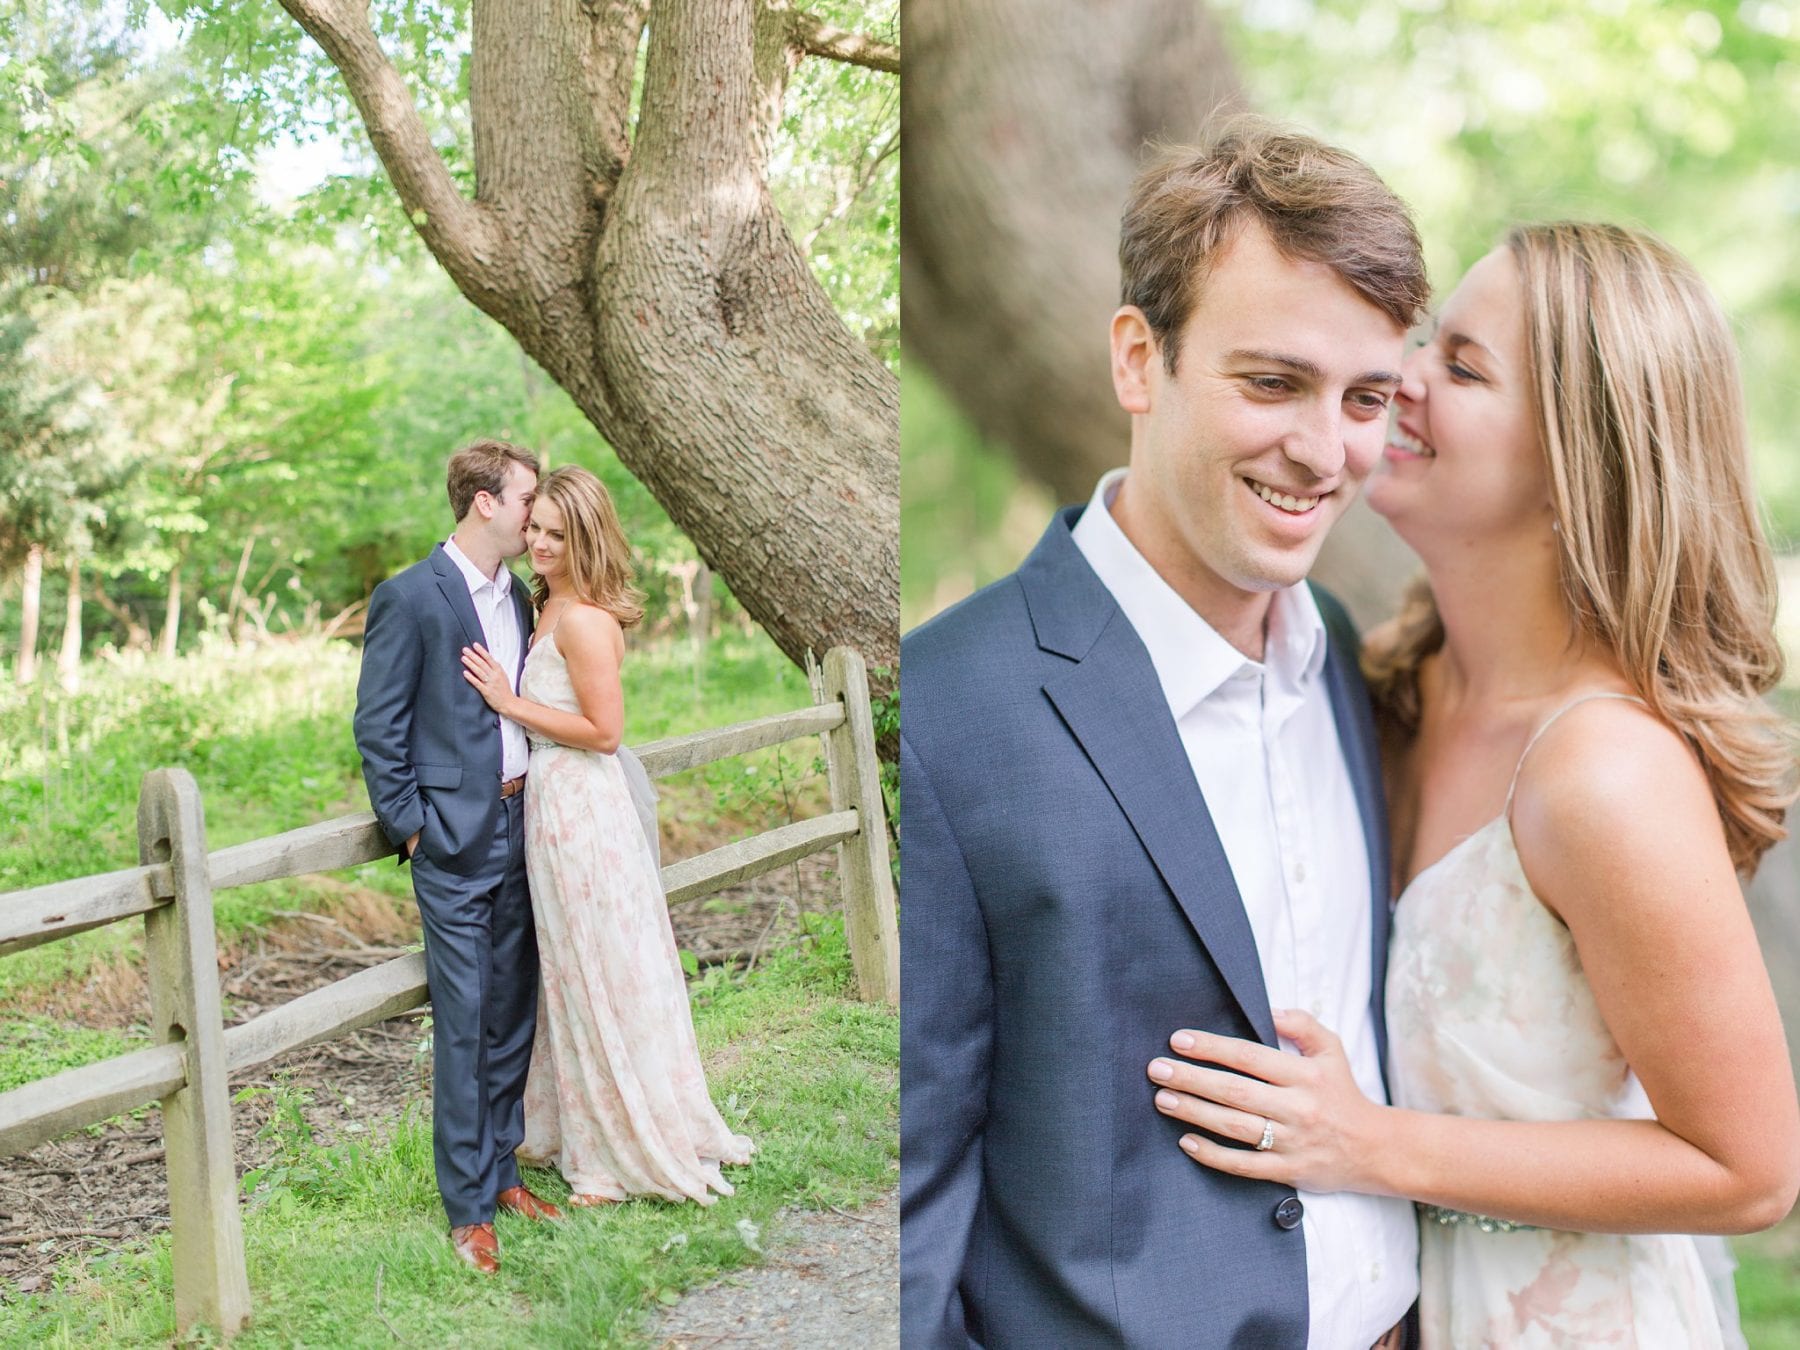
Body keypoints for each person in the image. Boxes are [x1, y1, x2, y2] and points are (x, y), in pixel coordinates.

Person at [1148, 222, 1800, 1347]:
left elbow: (1750, 1171)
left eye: (1459, 366)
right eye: (1424, 343)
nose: (1396, 381)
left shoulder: (1603, 773)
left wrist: (1367, 1144)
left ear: (1576, 458)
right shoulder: (1387, 692)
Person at [900, 119, 1432, 1346]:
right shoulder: (949, 714)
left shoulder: (1344, 656)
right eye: (1272, 382)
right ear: (1140, 359)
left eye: (1365, 398)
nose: (1323, 449)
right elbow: (911, 1213)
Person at [460, 464, 753, 1208]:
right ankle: (582, 1128)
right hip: (551, 811)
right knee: (572, 973)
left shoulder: (585, 619)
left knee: (604, 971)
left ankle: (627, 1148)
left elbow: (605, 731)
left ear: (585, 537)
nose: (540, 544)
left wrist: (508, 702)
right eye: (535, 529)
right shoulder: (545, 607)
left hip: (585, 812)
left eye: (557, 534)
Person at [354, 438, 563, 1276]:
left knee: (515, 1009)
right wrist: (414, 830)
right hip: (452, 843)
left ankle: (504, 1169)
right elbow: (379, 726)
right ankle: (468, 1209)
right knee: (466, 1019)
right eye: (524, 499)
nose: (532, 514)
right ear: (484, 501)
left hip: (524, 829)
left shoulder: (519, 597)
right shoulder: (410, 597)